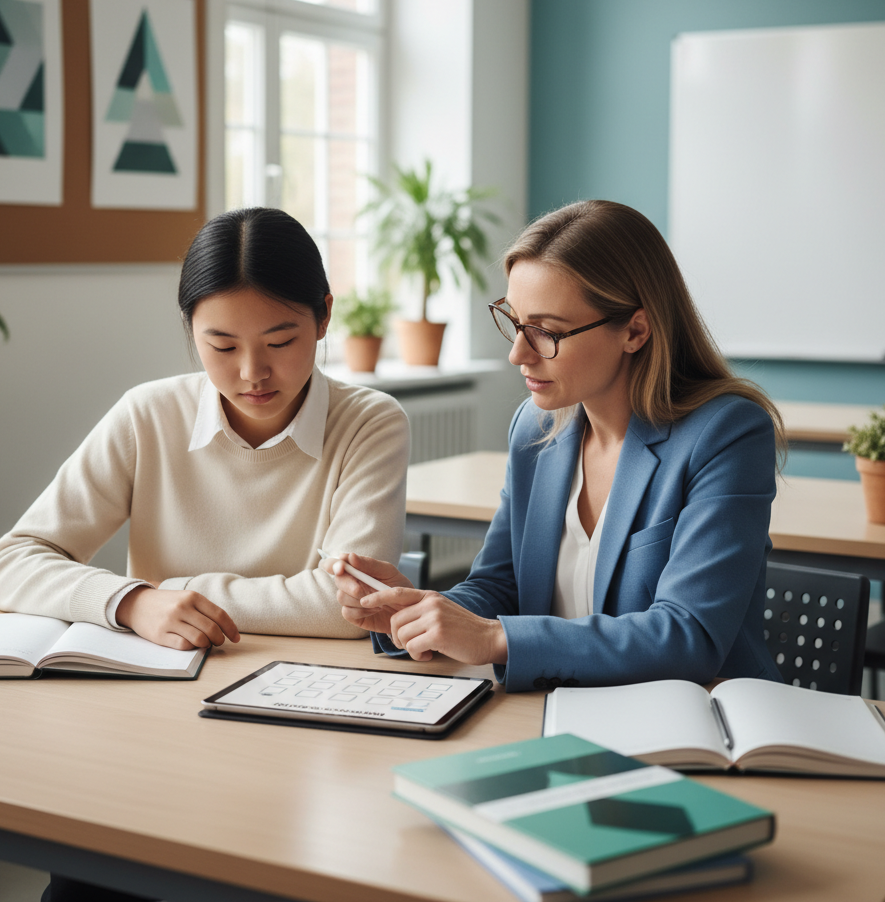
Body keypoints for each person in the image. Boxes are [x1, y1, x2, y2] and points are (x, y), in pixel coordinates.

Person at [328, 199, 785, 691]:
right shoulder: (535, 428)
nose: (517, 353)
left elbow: (687, 636)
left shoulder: (727, 432)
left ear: (634, 330)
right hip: (557, 711)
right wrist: (421, 612)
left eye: (546, 331)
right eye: (515, 322)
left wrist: (496, 638)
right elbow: (500, 587)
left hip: (700, 722)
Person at [0, 207, 410, 651]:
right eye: (222, 345)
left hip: (303, 686)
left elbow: (352, 606)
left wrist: (169, 592)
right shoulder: (148, 415)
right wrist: (131, 602)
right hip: (160, 687)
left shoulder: (369, 423)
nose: (252, 372)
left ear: (323, 318)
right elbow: (12, 563)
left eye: (280, 343)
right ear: (190, 327)